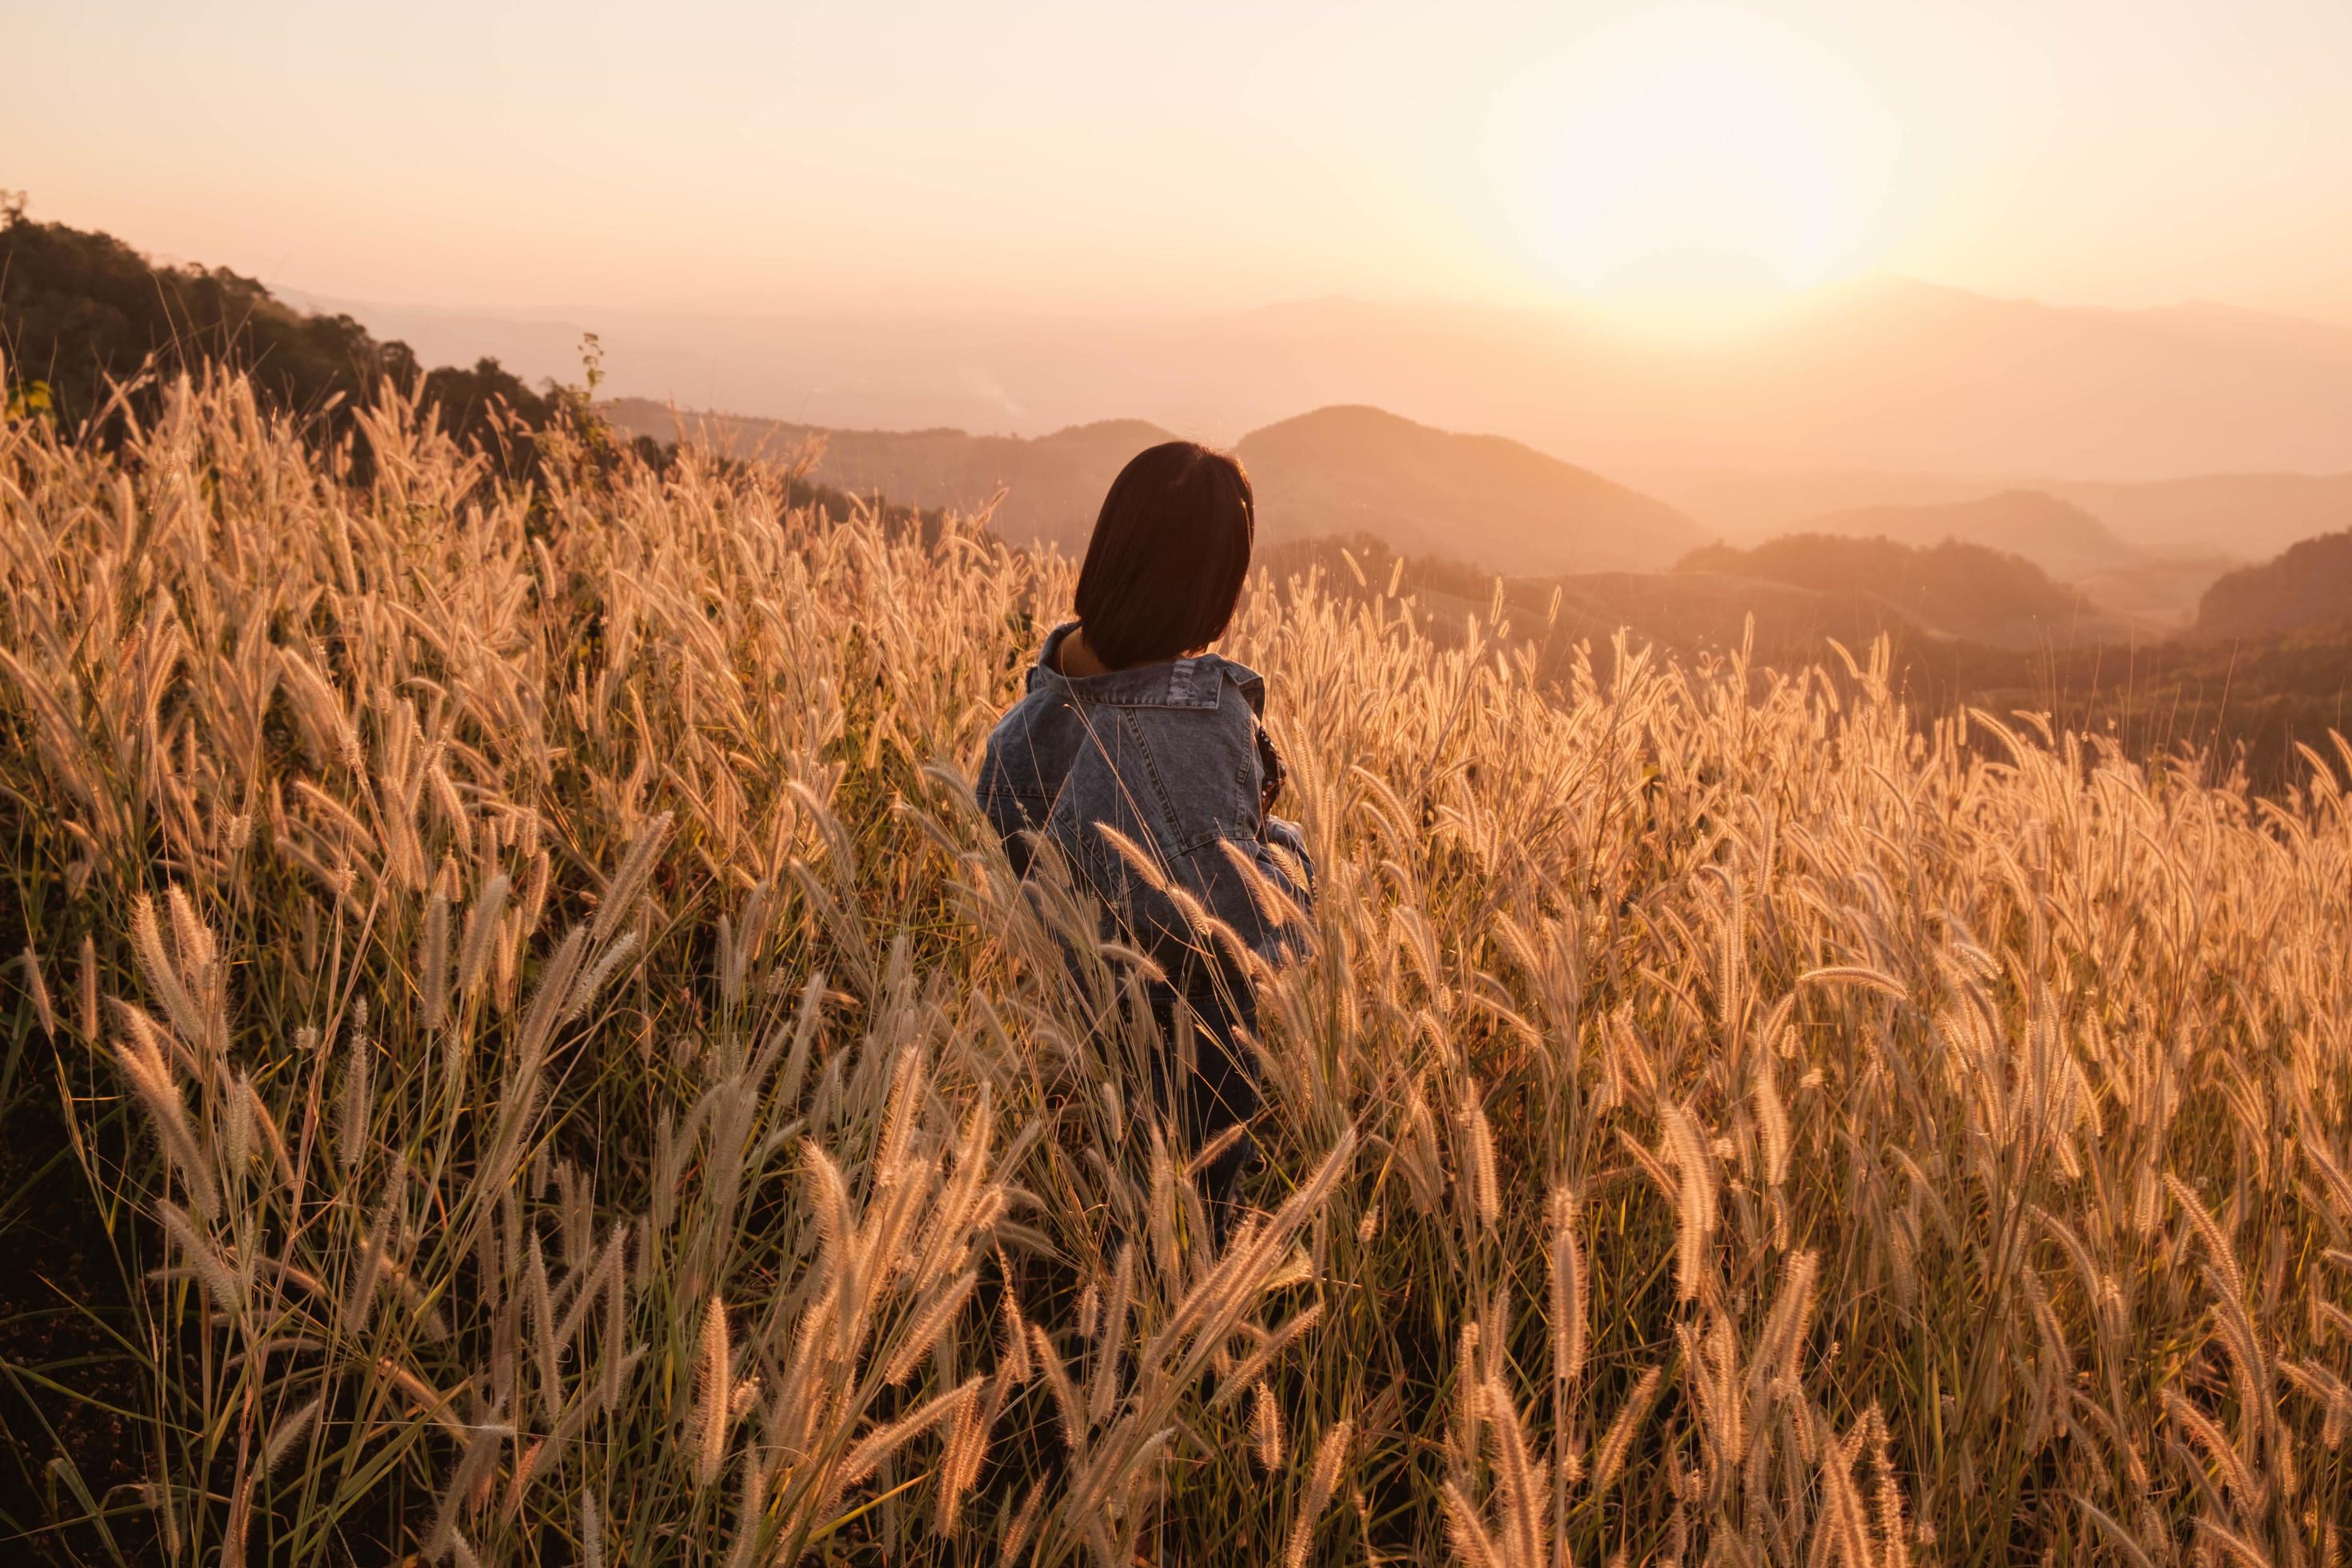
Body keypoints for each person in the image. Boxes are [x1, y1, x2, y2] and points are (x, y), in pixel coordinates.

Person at [978, 440, 1314, 1236]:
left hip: (1072, 1051)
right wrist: (1289, 845)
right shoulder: (1207, 725)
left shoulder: (1018, 734)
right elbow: (1251, 933)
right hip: (1195, 1073)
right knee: (1187, 1271)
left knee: (1100, 1256)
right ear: (1211, 589)